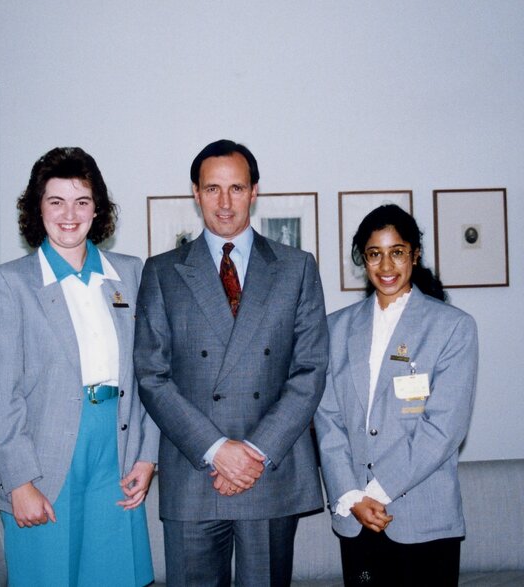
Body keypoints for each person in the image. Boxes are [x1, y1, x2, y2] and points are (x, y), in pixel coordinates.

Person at [134, 139, 329, 586]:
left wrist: (253, 453)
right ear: (196, 193)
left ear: (254, 192)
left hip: (268, 470)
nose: (224, 203)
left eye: (236, 188)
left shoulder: (296, 267)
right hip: (193, 470)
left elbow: (310, 369)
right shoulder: (162, 271)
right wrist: (217, 450)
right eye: (213, 189)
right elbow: (152, 375)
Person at [0, 147, 158, 586]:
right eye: (55, 201)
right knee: (48, 574)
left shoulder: (131, 274)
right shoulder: (9, 282)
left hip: (115, 453)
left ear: (97, 209)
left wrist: (147, 455)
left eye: (81, 201)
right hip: (43, 459)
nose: (69, 214)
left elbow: (150, 374)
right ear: (36, 208)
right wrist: (19, 481)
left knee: (113, 574)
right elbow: (2, 393)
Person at [314, 204, 478, 586]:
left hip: (424, 518)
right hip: (356, 515)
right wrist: (351, 495)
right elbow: (327, 419)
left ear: (414, 255)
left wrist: (378, 490)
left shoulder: (453, 327)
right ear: (364, 260)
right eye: (375, 254)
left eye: (397, 252)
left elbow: (444, 428)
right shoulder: (335, 329)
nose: (386, 266)